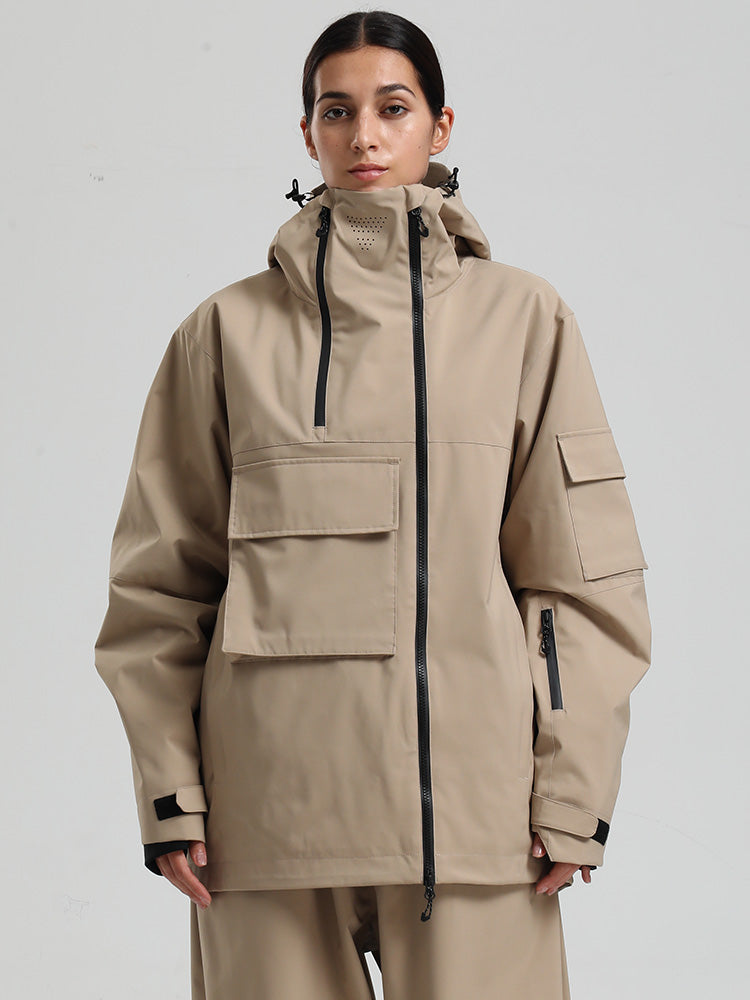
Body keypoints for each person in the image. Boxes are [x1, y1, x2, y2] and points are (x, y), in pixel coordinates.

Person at [94, 10, 652, 999]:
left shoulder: (525, 320)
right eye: (336, 110)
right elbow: (159, 592)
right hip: (263, 826)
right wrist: (172, 795)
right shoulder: (222, 333)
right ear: (307, 132)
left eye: (393, 108)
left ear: (440, 125)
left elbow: (582, 583)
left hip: (478, 822)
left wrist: (573, 792)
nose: (364, 135)